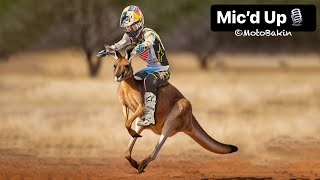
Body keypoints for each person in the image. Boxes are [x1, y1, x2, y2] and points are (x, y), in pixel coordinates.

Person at [99, 5, 170, 126]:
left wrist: (138, 47)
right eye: (127, 27)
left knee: (150, 80)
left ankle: (149, 115)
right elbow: (119, 45)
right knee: (134, 79)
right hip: (149, 68)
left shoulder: (149, 33)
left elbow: (149, 42)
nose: (130, 30)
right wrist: (108, 50)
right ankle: (139, 106)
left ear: (140, 23)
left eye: (132, 26)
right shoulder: (128, 37)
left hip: (162, 69)